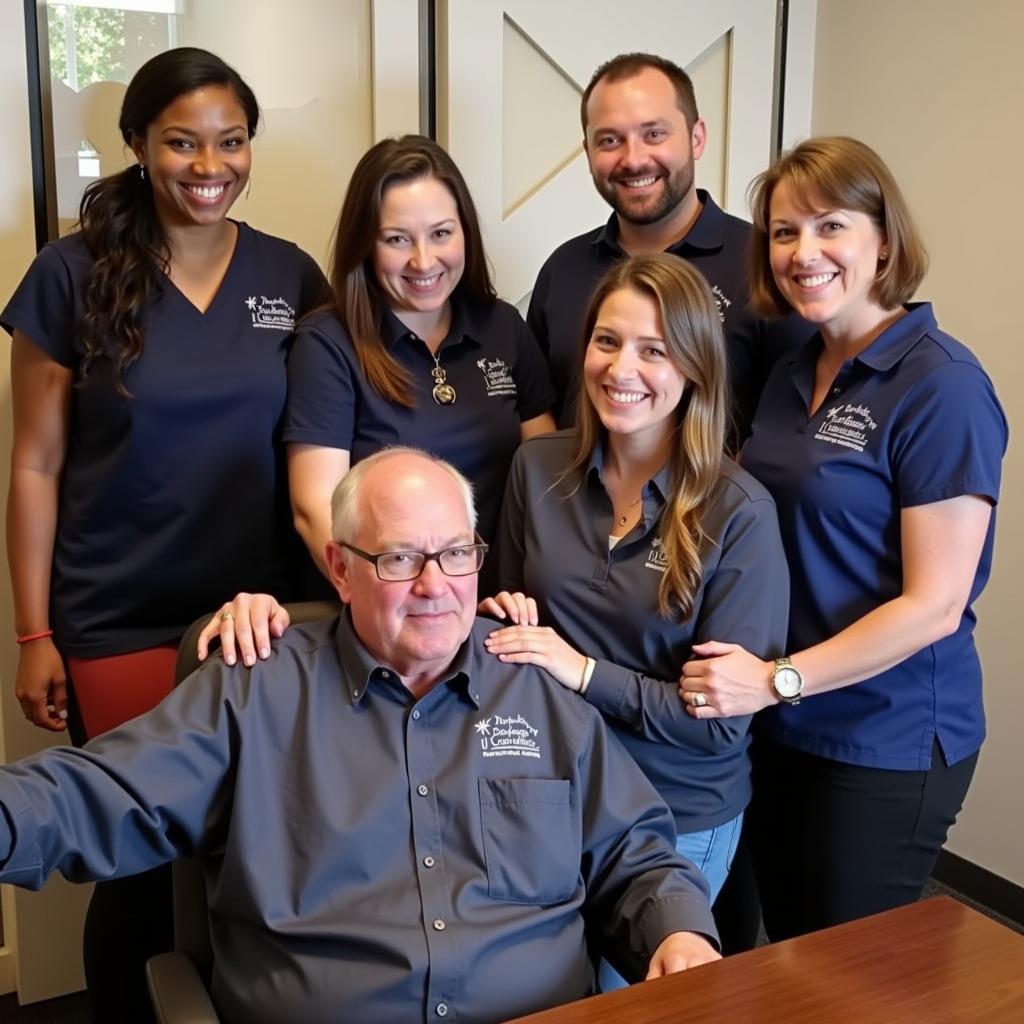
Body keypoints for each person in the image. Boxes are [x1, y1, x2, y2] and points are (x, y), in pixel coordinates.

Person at [0, 449, 720, 1024]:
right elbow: (97, 792)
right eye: (400, 559)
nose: (436, 585)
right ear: (341, 569)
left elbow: (637, 853)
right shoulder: (257, 688)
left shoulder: (531, 680)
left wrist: (680, 932)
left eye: (456, 554)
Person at [1, 47, 327, 1020]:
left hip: (263, 619)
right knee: (141, 861)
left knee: (250, 852)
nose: (208, 164)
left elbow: (320, 442)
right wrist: (34, 633)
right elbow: (33, 465)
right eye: (182, 141)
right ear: (138, 145)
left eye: (231, 141)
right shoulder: (69, 276)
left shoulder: (289, 274)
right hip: (120, 622)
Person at [680, 136, 1008, 941]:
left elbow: (934, 606)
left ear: (884, 239)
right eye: (785, 232)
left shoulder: (941, 386)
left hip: (881, 739)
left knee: (846, 975)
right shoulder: (796, 372)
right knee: (785, 955)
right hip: (784, 721)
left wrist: (778, 681)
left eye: (830, 226)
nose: (803, 252)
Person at [482, 254, 789, 985]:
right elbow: (509, 628)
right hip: (550, 784)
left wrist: (581, 670)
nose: (623, 368)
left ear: (695, 369)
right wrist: (506, 615)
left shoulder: (739, 515)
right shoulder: (536, 469)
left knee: (629, 998)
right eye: (608, 341)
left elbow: (715, 723)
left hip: (675, 811)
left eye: (655, 350)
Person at [283, 134, 556, 584]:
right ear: (364, 246)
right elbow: (315, 512)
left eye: (441, 234)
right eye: (396, 239)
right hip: (393, 609)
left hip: (503, 603)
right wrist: (417, 606)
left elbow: (546, 479)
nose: (423, 260)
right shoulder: (327, 345)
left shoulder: (503, 327)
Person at [528, 52, 811, 443]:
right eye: (610, 140)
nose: (634, 159)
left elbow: (799, 429)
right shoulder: (562, 270)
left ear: (697, 138)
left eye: (654, 134)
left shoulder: (765, 266)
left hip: (723, 503)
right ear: (589, 151)